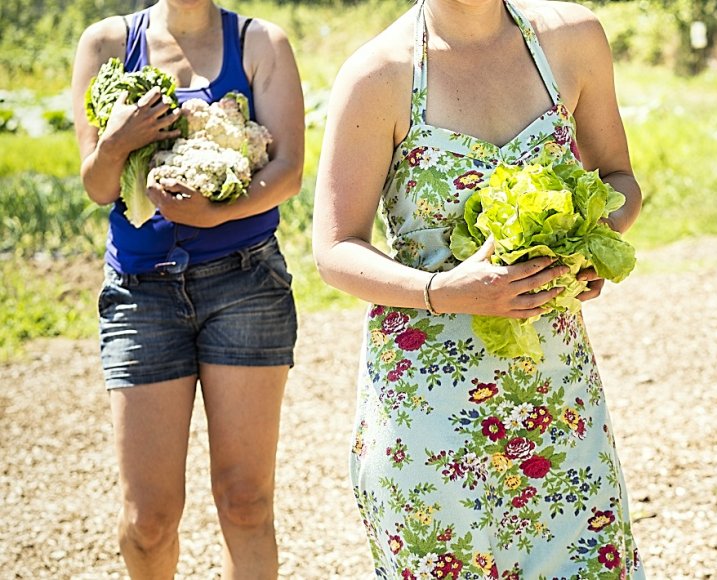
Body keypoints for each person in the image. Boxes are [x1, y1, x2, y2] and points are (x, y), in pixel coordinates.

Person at [312, 0, 644, 576]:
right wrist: (446, 290)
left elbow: (618, 178)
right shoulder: (379, 73)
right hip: (429, 409)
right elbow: (335, 249)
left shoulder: (573, 38)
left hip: (556, 393)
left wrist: (587, 245)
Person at [69, 0, 303, 576]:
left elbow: (290, 171)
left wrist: (219, 213)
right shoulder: (105, 45)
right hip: (141, 293)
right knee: (147, 521)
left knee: (246, 503)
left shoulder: (260, 43)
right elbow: (99, 187)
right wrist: (118, 141)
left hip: (246, 282)